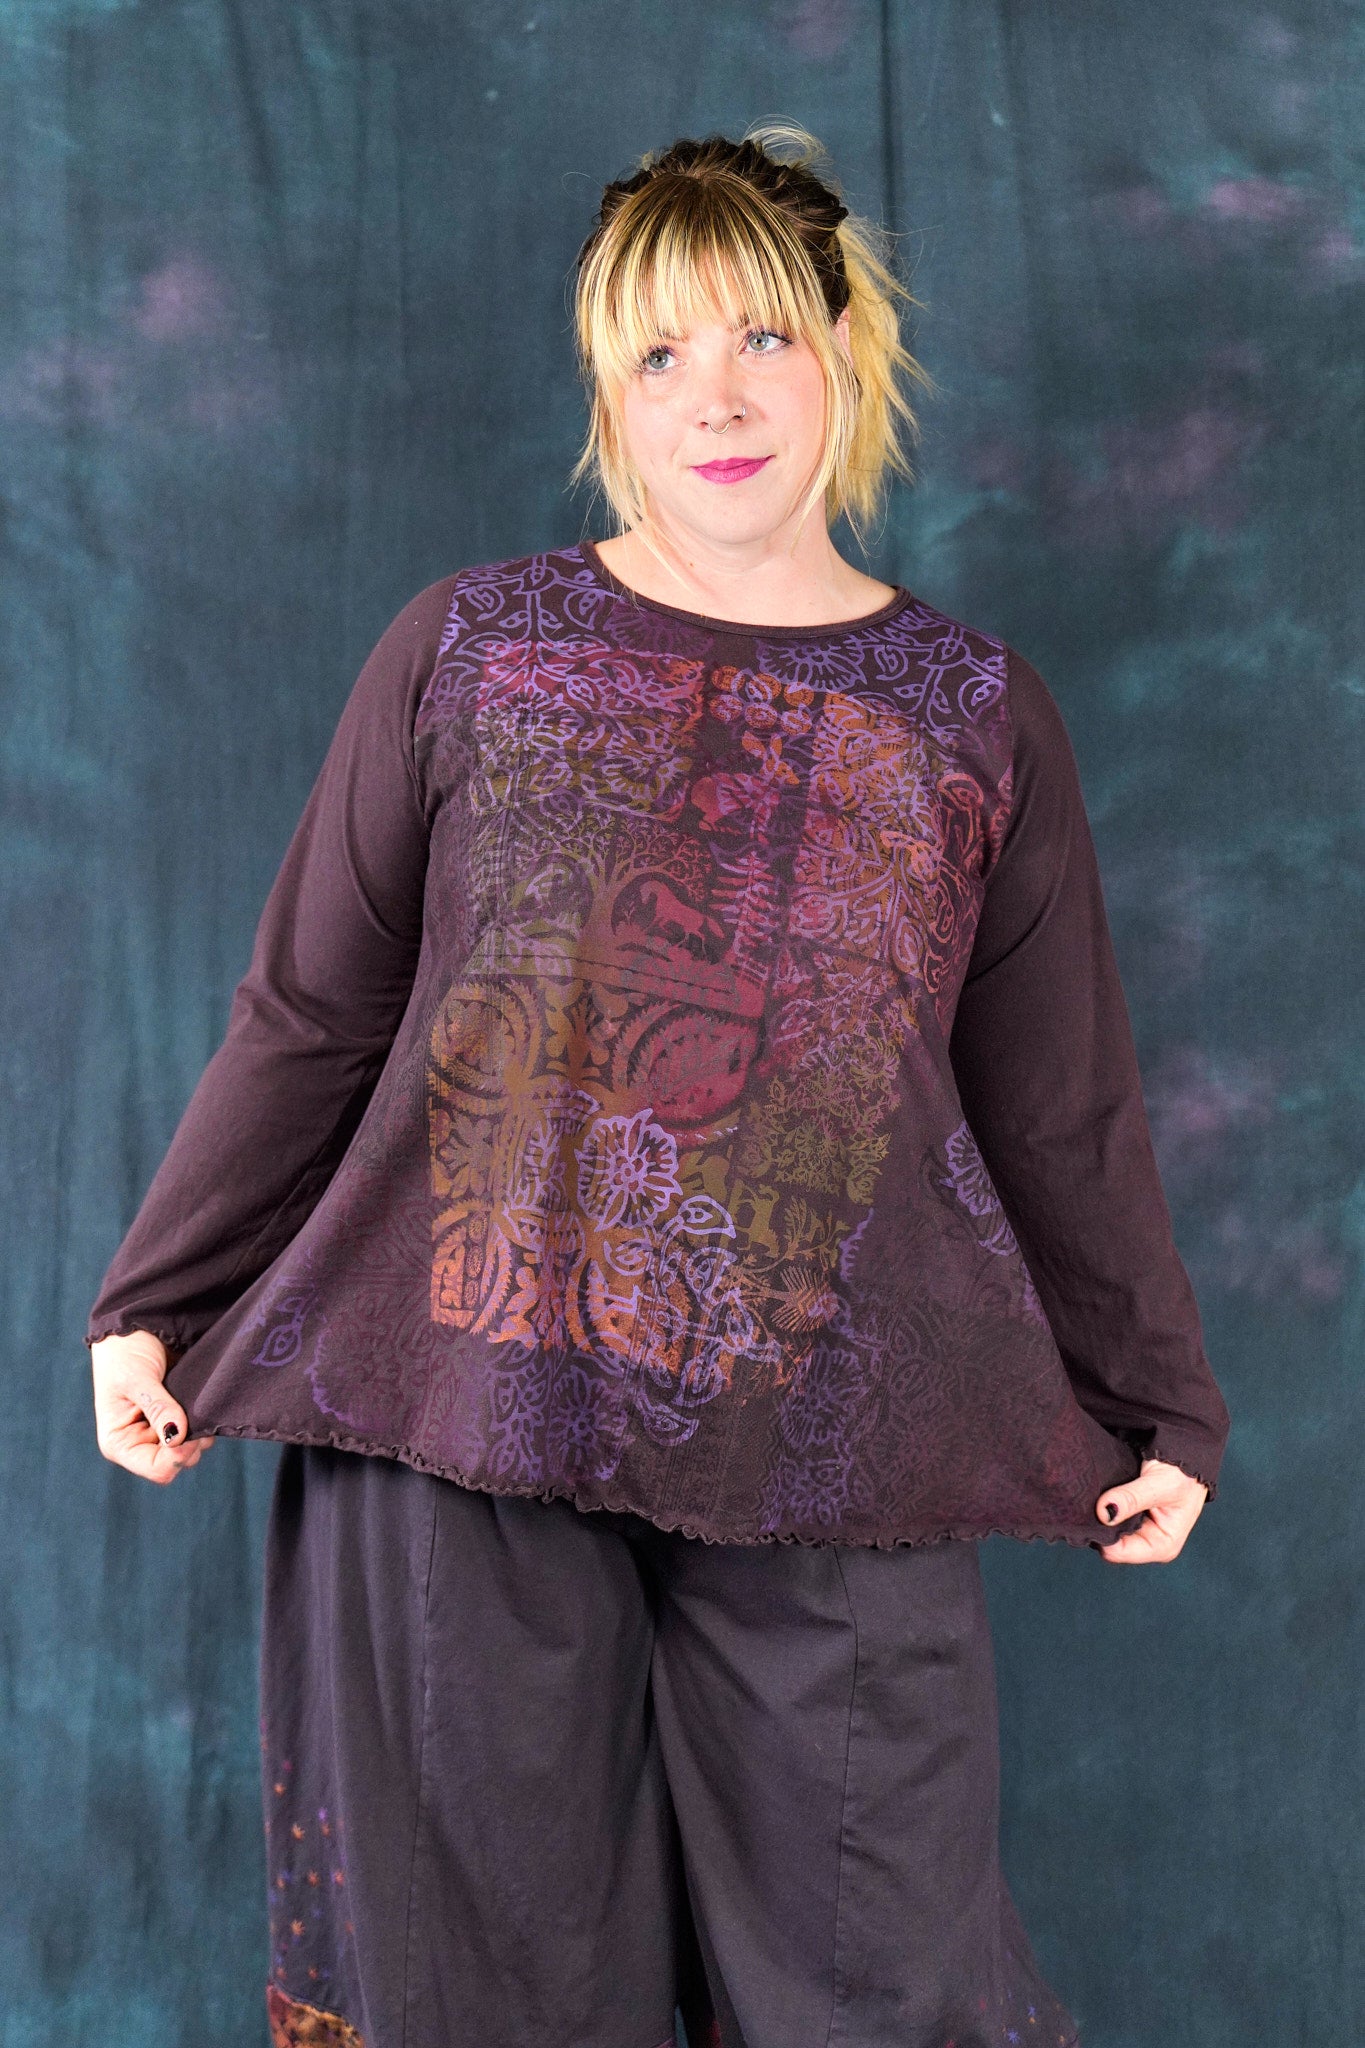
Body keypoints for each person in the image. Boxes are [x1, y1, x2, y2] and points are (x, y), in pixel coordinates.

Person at [87, 124, 1231, 2048]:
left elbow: (1057, 1108)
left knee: (878, 1985)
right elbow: (312, 1015)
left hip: (841, 1442)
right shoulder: (469, 653)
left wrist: (1159, 1402)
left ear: (846, 345)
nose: (717, 398)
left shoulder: (971, 717)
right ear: (608, 389)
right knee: (489, 1996)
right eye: (659, 352)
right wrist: (158, 1296)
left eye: (763, 336)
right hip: (457, 1407)